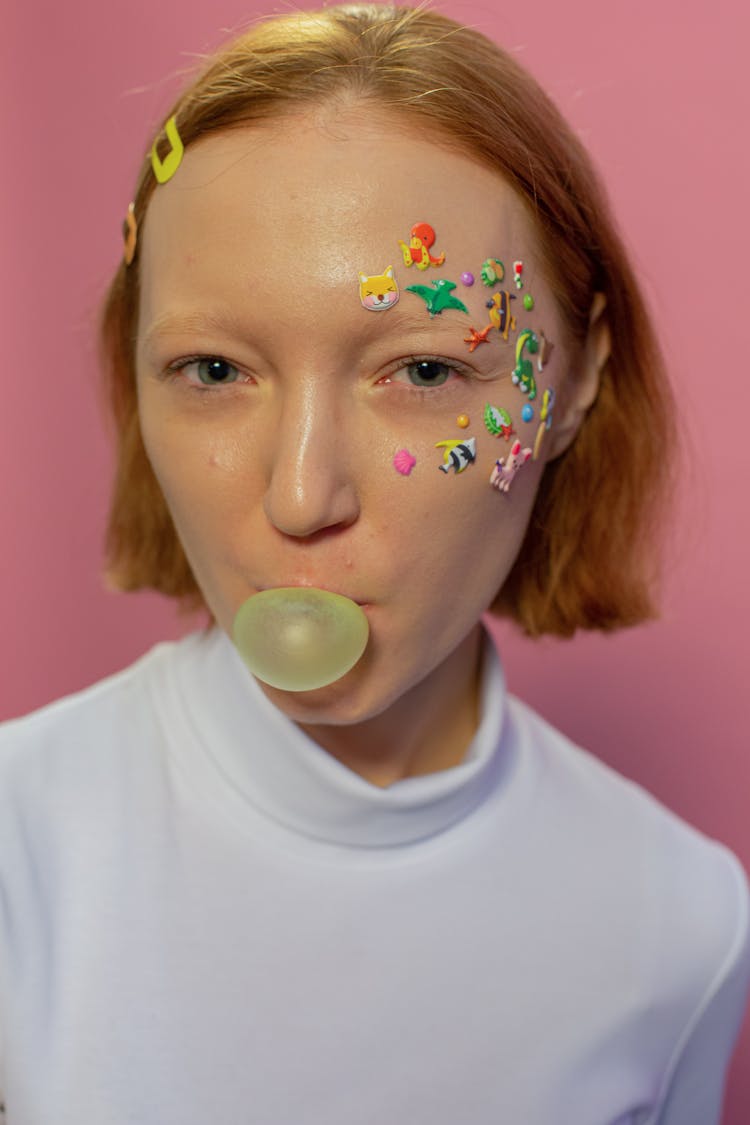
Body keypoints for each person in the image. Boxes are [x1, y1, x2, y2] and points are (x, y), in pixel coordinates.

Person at [1, 4, 748, 1122]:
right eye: (213, 368)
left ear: (578, 380)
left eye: (427, 372)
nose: (301, 497)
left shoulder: (683, 925)